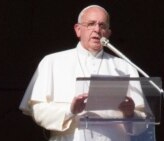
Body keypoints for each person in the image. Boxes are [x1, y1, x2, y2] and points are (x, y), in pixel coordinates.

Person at [19, 5, 146, 141]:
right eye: (91, 24)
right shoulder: (52, 62)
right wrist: (70, 110)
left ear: (108, 33)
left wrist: (130, 114)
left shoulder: (124, 66)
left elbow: (143, 122)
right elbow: (38, 111)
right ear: (78, 30)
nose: (97, 30)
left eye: (102, 26)